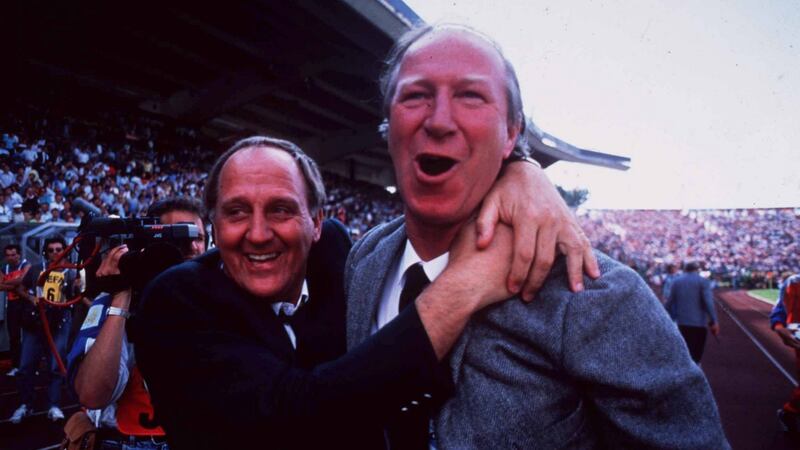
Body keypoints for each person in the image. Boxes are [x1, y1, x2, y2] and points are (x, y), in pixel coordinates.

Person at [345, 24, 729, 448]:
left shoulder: (596, 294)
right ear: (388, 123)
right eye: (416, 95)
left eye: (471, 96)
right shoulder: (363, 260)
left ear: (512, 133)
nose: (439, 121)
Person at [132, 133, 592, 449]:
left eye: (280, 210)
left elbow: (426, 221)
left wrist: (520, 171)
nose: (257, 233)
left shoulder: (336, 253)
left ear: (315, 223)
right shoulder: (175, 301)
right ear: (213, 226)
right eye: (236, 213)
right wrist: (468, 283)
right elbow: (299, 414)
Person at [67, 197, 206, 449]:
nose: (191, 247)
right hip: (128, 440)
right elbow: (92, 394)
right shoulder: (114, 299)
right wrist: (121, 295)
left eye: (198, 237)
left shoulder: (224, 300)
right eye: (177, 237)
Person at [9, 236, 76, 423]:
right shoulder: (37, 268)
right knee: (26, 365)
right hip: (36, 321)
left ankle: (54, 405)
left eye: (58, 249)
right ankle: (25, 404)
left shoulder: (72, 272)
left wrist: (78, 287)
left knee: (56, 365)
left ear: (64, 250)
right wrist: (32, 299)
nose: (55, 253)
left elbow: (78, 294)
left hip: (60, 321)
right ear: (45, 252)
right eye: (51, 250)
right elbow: (21, 288)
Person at [666, 261, 721, 363]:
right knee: (696, 355)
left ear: (686, 269)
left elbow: (669, 302)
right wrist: (714, 321)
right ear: (697, 270)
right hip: (699, 324)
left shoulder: (677, 281)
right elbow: (708, 302)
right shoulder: (703, 281)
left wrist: (665, 318)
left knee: (685, 354)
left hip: (682, 323)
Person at [769, 272, 800, 434]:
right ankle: (789, 412)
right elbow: (779, 309)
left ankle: (790, 411)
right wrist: (779, 327)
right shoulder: (794, 282)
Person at [1, 243, 31, 376]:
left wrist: (7, 282)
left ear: (19, 254)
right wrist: (16, 283)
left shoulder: (26, 264)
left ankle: (30, 365)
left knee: (29, 336)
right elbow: (0, 286)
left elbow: (23, 280)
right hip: (12, 304)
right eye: (8, 255)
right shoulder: (4, 267)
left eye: (13, 254)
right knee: (14, 337)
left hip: (26, 303)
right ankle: (16, 366)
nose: (11, 258)